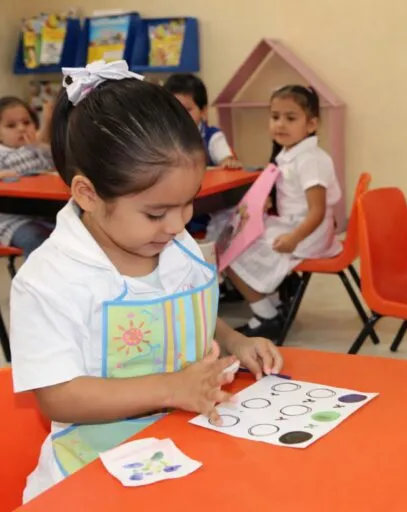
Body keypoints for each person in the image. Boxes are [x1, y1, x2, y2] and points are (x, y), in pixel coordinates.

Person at [10, 60, 282, 503]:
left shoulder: (173, 247)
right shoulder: (50, 281)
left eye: (188, 203)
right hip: (88, 476)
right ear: (88, 194)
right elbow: (58, 396)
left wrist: (233, 341)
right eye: (156, 213)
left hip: (183, 449)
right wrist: (171, 388)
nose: (177, 225)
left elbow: (179, 314)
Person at [226, 85, 342, 338]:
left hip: (306, 234)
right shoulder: (291, 154)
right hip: (297, 226)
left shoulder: (310, 159)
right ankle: (274, 303)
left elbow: (317, 211)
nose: (280, 124)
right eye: (275, 116)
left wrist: (293, 239)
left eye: (291, 118)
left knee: (230, 253)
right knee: (237, 239)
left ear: (311, 124)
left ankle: (267, 316)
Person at [0, 97, 55, 256]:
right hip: (13, 221)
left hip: (46, 213)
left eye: (26, 123)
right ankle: (38, 279)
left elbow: (53, 169)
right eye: (11, 126)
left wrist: (40, 146)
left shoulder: (37, 149)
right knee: (34, 238)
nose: (22, 129)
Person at [164, 73, 241, 168]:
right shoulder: (161, 137)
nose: (180, 115)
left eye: (187, 110)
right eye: (173, 109)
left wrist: (228, 163)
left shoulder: (212, 137)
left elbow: (226, 160)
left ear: (203, 111)